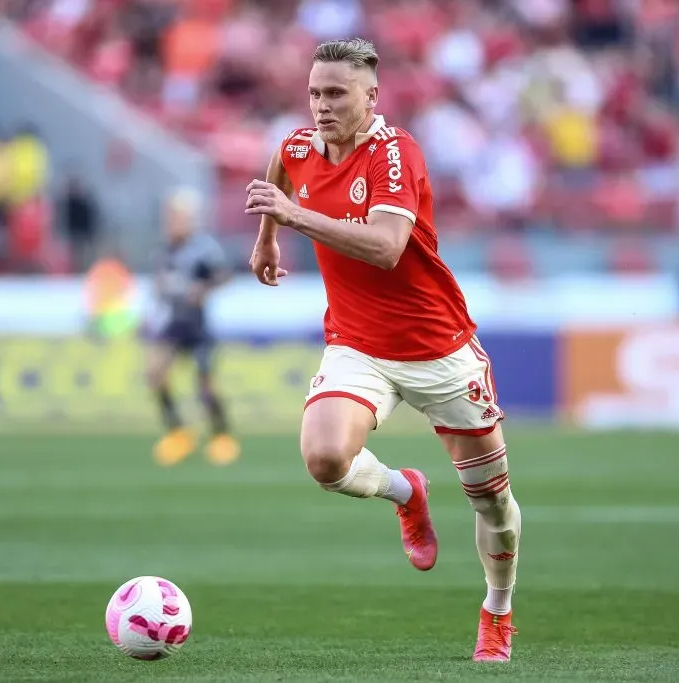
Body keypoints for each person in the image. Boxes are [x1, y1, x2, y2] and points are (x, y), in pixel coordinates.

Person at [245, 38, 522, 662]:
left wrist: (292, 219)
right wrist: (267, 238)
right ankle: (406, 493)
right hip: (357, 345)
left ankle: (497, 611)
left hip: (439, 349)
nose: (321, 105)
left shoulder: (395, 154)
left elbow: (387, 246)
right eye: (315, 92)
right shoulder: (297, 145)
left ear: (372, 97)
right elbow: (280, 170)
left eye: (337, 93)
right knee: (323, 459)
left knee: (493, 503)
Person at [146, 187, 238, 467]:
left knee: (205, 386)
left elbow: (224, 275)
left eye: (177, 217)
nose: (172, 222)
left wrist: (203, 289)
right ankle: (177, 433)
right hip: (174, 322)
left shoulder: (203, 247)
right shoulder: (165, 250)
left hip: (197, 325)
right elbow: (159, 285)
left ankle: (222, 436)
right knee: (155, 374)